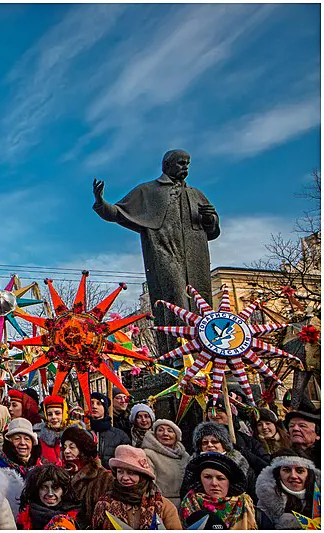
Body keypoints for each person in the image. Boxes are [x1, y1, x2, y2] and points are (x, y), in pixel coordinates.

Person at [92, 149, 221, 356]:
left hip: (196, 257)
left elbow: (212, 230)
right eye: (180, 163)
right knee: (174, 297)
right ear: (166, 166)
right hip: (165, 251)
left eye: (187, 163)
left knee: (200, 302)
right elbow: (118, 213)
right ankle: (178, 353)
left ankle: (205, 353)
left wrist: (210, 219)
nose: (185, 167)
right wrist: (101, 203)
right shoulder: (148, 191)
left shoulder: (197, 195)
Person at [91, 445, 182, 529]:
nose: (125, 478)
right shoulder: (104, 503)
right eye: (120, 472)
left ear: (142, 476)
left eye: (131, 473)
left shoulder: (163, 506)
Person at [179, 452, 257, 529]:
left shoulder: (248, 508)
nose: (214, 483)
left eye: (220, 478)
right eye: (207, 477)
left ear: (229, 482)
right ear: (200, 480)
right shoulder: (188, 504)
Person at [60, 426, 114, 526]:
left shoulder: (104, 477)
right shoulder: (60, 474)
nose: (66, 451)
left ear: (83, 449)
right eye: (64, 447)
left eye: (72, 447)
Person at [255, 448, 321, 529]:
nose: (293, 476)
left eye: (300, 471)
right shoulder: (266, 503)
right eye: (287, 470)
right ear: (278, 474)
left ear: (309, 475)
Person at [206, 397, 269, 475]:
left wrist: (241, 451)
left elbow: (266, 466)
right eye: (210, 410)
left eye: (219, 410)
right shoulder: (201, 440)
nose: (214, 414)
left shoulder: (247, 440)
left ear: (230, 414)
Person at [0, 418, 44, 511]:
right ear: (9, 442)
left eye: (27, 439)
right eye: (17, 438)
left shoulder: (41, 468)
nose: (22, 443)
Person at [141, 419, 190, 507]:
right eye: (160, 430)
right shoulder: (149, 454)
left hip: (185, 505)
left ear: (176, 436)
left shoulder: (185, 456)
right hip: (161, 504)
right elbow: (149, 484)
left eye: (170, 431)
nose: (165, 433)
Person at [16, 463, 81, 529]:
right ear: (37, 490)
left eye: (55, 487)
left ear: (63, 490)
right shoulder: (26, 516)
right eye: (44, 487)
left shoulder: (78, 517)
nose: (50, 493)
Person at [88, 392, 130, 468]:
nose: (94, 406)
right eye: (91, 403)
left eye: (99, 403)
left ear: (105, 408)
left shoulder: (120, 436)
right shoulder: (82, 433)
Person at [285, 399, 321, 468]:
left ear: (317, 435)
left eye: (302, 426)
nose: (295, 429)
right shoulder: (281, 458)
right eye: (291, 426)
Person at [34, 395, 69, 465]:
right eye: (49, 414)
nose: (53, 417)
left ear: (64, 413)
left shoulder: (73, 435)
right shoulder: (39, 437)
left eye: (57, 413)